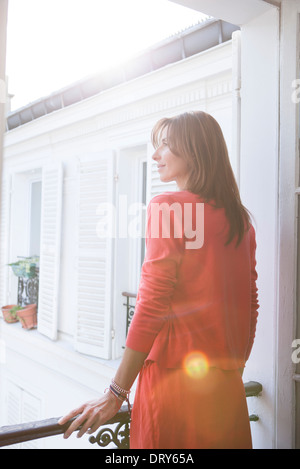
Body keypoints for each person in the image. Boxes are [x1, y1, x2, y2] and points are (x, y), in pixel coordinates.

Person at [59, 111, 259, 449]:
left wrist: (116, 392)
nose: (155, 155)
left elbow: (151, 303)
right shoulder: (240, 220)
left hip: (172, 388)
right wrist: (233, 369)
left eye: (165, 145)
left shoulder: (168, 207)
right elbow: (249, 304)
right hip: (225, 390)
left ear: (194, 152)